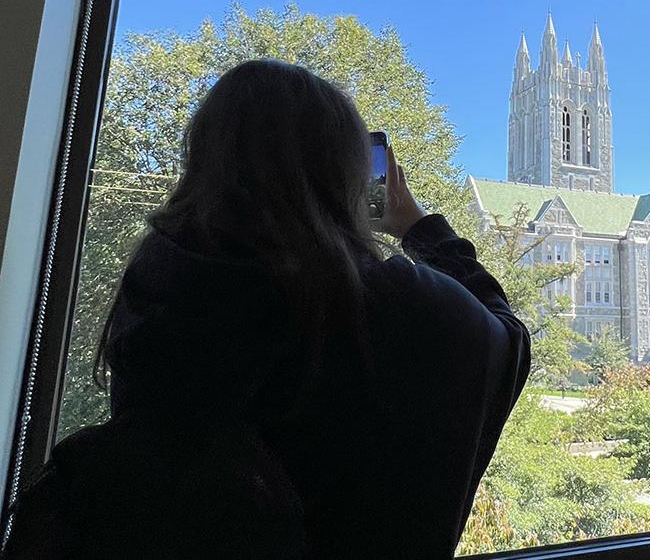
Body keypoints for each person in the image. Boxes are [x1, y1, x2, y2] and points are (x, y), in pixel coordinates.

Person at [1, 60, 531, 559]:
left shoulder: (161, 286)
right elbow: (506, 342)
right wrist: (422, 229)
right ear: (344, 177)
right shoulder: (391, 303)